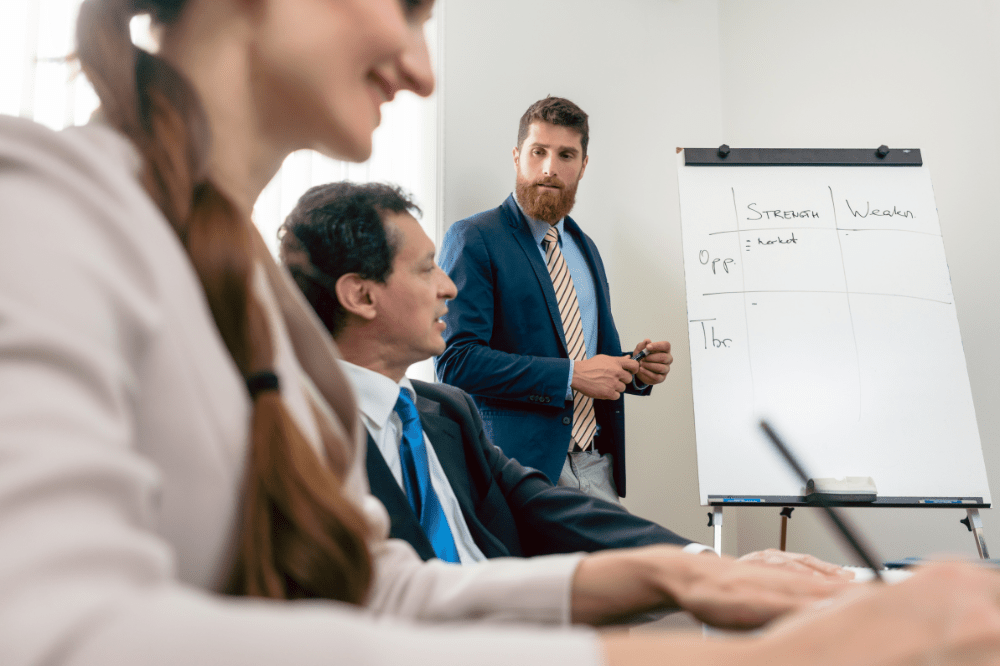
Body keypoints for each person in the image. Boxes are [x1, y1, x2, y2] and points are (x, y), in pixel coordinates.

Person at [1, 0, 999, 664]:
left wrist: (690, 573)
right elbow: (61, 630)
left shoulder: (259, 309)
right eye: (403, 5)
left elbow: (381, 597)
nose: (423, 68)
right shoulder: (39, 204)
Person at [278, 178, 853, 587]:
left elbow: (540, 503)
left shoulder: (441, 413)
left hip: (583, 473)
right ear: (360, 294)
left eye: (568, 155)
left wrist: (707, 562)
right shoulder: (290, 437)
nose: (448, 287)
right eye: (427, 268)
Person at [436, 96, 668, 502]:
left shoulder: (585, 248)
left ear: (583, 165)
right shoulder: (474, 238)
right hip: (517, 470)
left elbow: (592, 358)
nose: (549, 167)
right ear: (516, 156)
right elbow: (454, 363)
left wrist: (636, 369)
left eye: (565, 155)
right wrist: (570, 375)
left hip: (597, 465)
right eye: (538, 152)